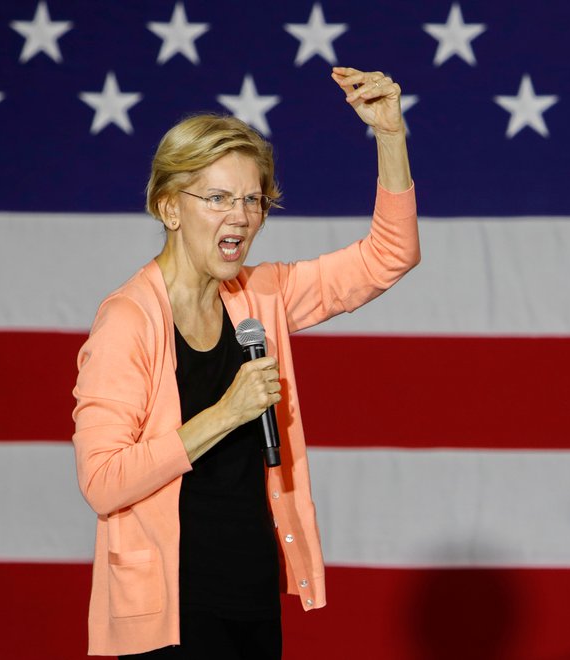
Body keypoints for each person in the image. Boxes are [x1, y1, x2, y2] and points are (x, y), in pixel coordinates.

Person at [72, 66, 420, 659]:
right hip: (171, 613)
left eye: (253, 199)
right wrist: (226, 413)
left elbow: (390, 255)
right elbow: (102, 482)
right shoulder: (128, 320)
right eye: (218, 198)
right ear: (170, 208)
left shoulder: (263, 296)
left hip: (251, 593)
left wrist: (390, 134)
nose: (241, 216)